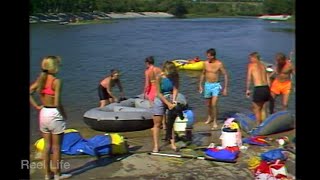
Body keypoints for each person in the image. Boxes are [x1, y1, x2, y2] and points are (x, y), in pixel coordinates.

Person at [29, 56, 71, 180]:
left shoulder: (41, 79)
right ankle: (57, 174)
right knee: (57, 148)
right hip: (54, 113)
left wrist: (36, 105)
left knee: (47, 147)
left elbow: (29, 92)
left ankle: (48, 175)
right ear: (54, 67)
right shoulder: (56, 81)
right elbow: (57, 102)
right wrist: (64, 114)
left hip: (43, 113)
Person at [152, 61, 180, 153]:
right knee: (157, 124)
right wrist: (168, 104)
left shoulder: (175, 76)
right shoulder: (159, 77)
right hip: (160, 99)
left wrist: (174, 101)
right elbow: (159, 93)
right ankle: (156, 146)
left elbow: (175, 89)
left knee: (170, 123)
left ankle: (172, 143)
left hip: (170, 96)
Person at [199, 48, 228, 130]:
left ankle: (215, 121)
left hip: (216, 85)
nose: (207, 58)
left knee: (214, 104)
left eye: (209, 56)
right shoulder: (205, 63)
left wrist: (225, 88)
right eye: (207, 56)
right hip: (207, 85)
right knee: (208, 104)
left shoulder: (219, 64)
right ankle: (209, 117)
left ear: (213, 56)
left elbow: (225, 75)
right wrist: (200, 85)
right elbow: (203, 74)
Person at [245, 52, 271, 126]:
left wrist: (247, 89)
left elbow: (249, 78)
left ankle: (258, 126)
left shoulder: (251, 65)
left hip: (259, 88)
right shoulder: (263, 65)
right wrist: (269, 89)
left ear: (254, 58)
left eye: (250, 58)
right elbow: (268, 78)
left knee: (256, 108)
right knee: (263, 107)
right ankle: (265, 125)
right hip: (266, 88)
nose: (250, 60)